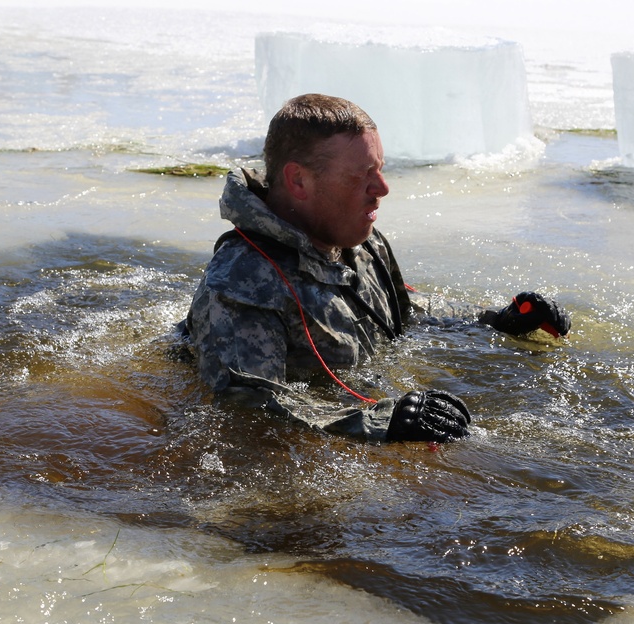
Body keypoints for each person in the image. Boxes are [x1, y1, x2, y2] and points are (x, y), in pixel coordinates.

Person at [184, 93, 570, 443]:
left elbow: (403, 309)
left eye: (380, 169)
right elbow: (246, 404)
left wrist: (494, 320)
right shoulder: (241, 282)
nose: (383, 188)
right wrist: (382, 422)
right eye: (360, 176)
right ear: (298, 180)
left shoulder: (360, 239)